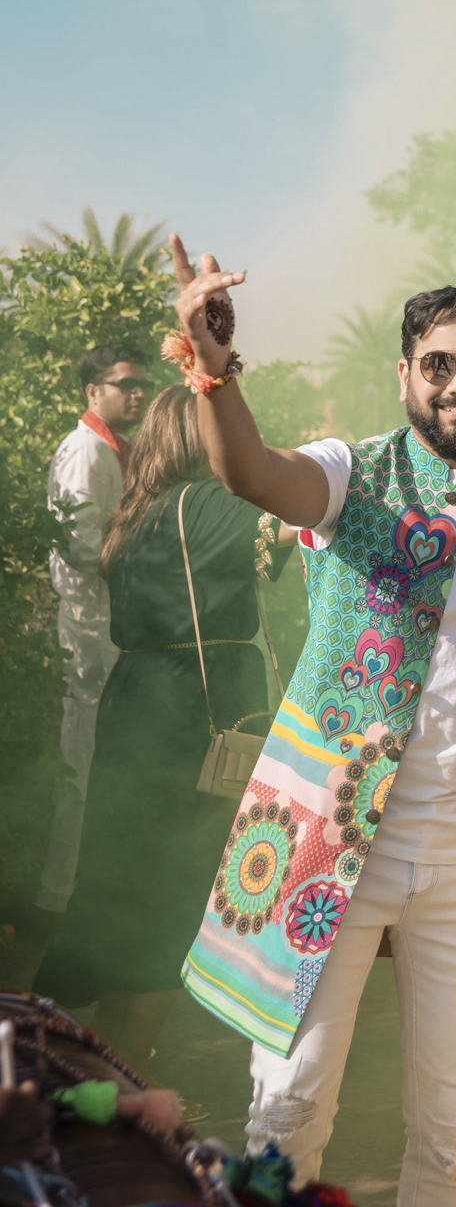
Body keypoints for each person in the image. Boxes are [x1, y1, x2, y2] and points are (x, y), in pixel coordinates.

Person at [167, 227, 456, 1207]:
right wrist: (214, 369)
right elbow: (251, 472)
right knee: (288, 1111)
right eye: (440, 365)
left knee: (453, 1126)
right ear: (404, 374)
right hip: (331, 836)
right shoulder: (354, 474)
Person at [34, 386, 294, 1075]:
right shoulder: (215, 505)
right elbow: (295, 529)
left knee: (121, 890)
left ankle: (59, 1071)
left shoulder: (138, 510)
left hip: (135, 710)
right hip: (194, 726)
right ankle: (117, 1086)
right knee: (173, 909)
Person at [30, 345, 154, 954]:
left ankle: (86, 899)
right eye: (123, 384)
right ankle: (59, 905)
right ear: (93, 391)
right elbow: (82, 548)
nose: (136, 393)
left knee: (106, 765)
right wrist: (151, 547)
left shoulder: (111, 448)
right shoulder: (86, 452)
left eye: (141, 385)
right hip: (89, 629)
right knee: (83, 765)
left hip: (110, 627)